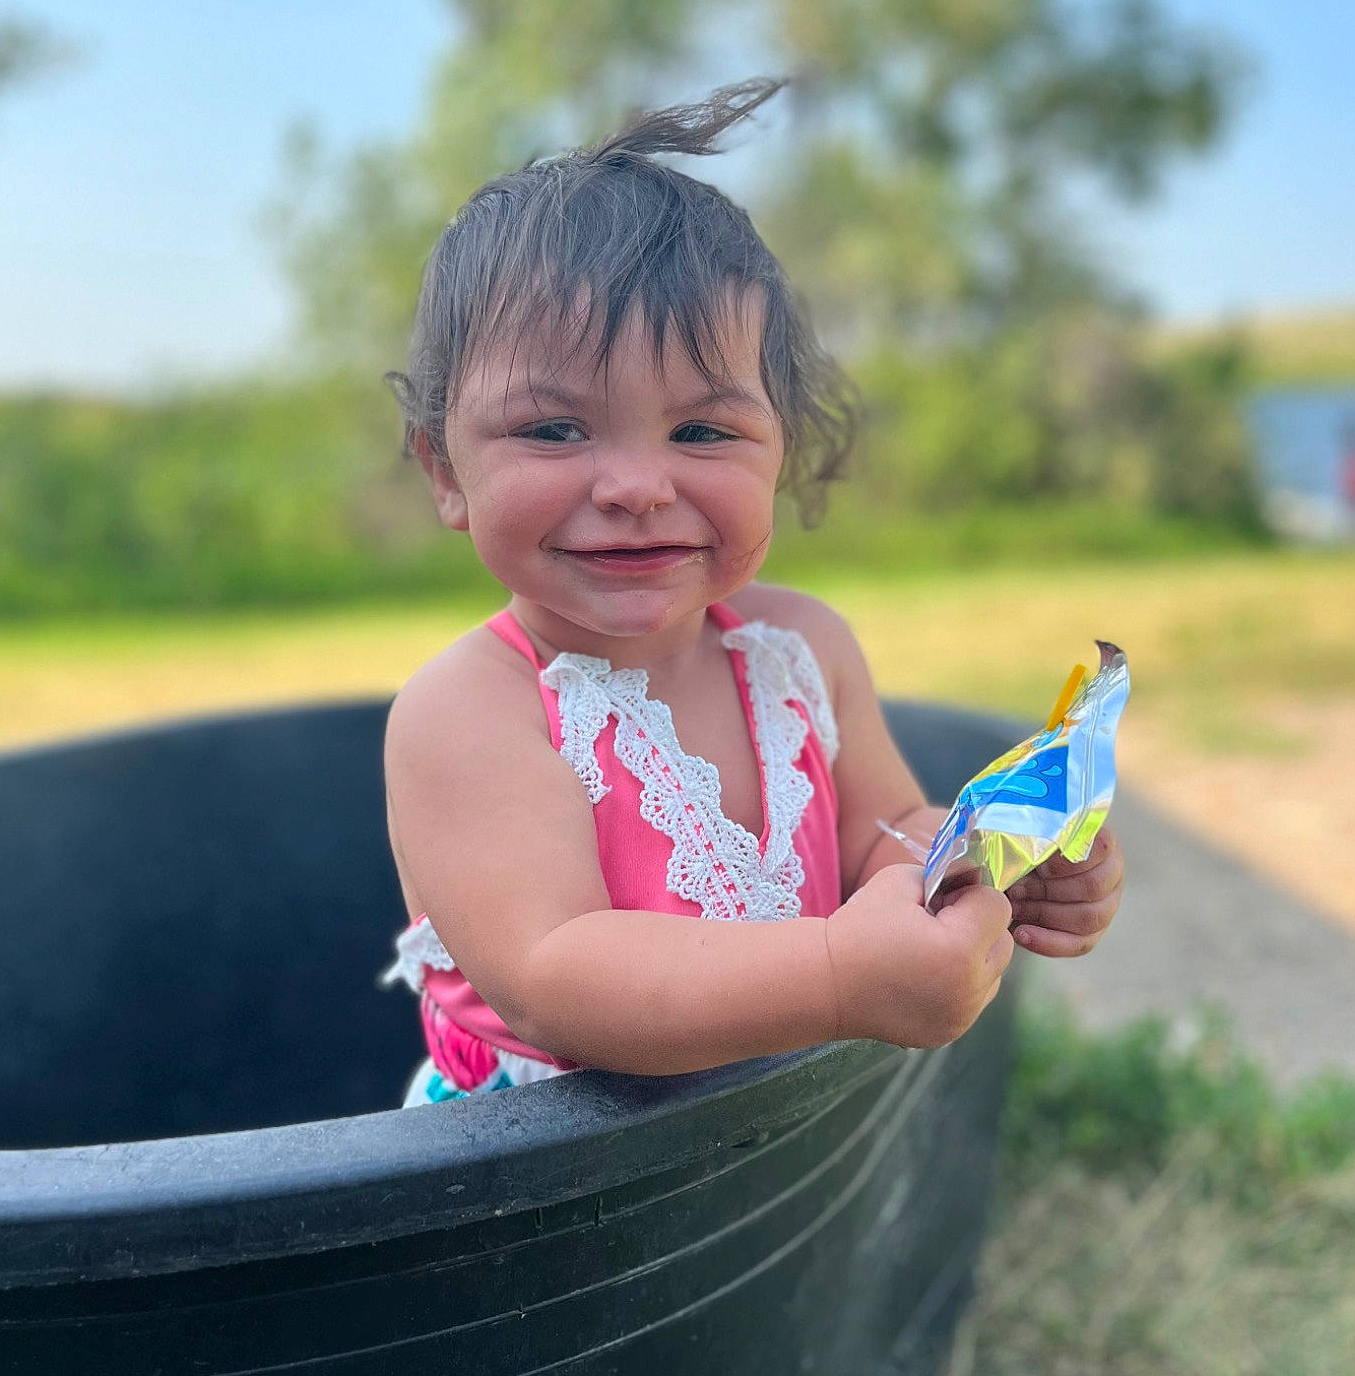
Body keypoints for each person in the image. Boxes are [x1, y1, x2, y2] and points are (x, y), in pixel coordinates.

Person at [382, 79, 1124, 1104]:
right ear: (443, 469)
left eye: (702, 431)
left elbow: (882, 833)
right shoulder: (472, 713)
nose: (637, 486)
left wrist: (982, 863)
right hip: (530, 1191)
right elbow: (558, 978)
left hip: (762, 1143)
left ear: (781, 444)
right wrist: (834, 975)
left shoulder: (800, 648)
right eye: (553, 429)